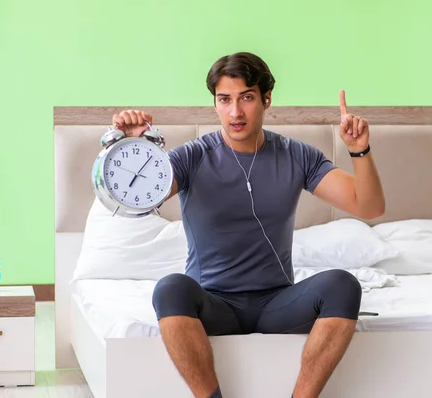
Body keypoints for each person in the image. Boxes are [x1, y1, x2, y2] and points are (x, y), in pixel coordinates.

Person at [111, 52, 385, 398]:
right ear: (215, 104)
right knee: (170, 289)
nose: (235, 112)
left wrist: (360, 150)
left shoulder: (297, 155)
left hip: (277, 304)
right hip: (212, 303)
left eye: (247, 98)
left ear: (266, 99)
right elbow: (136, 200)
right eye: (224, 100)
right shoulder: (193, 156)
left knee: (343, 285)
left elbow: (370, 206)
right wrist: (136, 146)